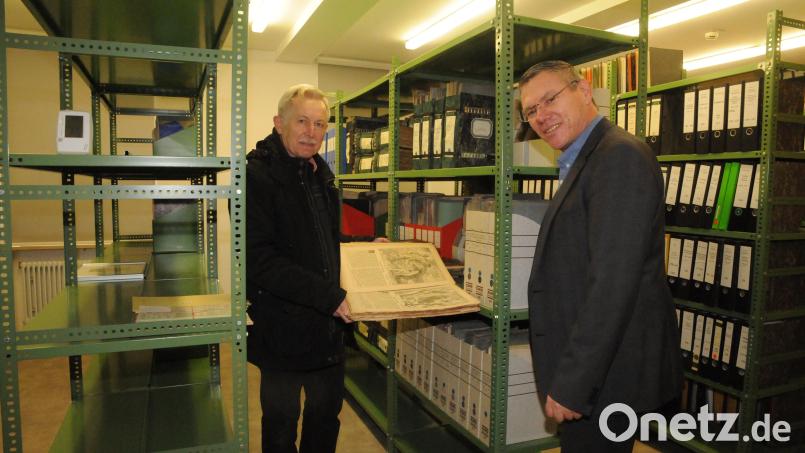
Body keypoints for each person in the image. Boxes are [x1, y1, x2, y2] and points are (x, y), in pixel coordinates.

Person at [521, 61, 682, 452]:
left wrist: (575, 382)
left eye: (550, 99)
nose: (541, 116)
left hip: (607, 374)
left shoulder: (618, 157)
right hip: (598, 367)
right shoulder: (585, 158)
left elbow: (613, 284)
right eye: (530, 110)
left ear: (584, 90)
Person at [245, 84, 354, 453]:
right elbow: (259, 260)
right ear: (279, 123)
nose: (311, 131)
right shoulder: (256, 177)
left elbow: (323, 243)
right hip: (281, 330)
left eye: (320, 124)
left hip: (327, 330)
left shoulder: (322, 177)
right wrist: (330, 297)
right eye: (302, 121)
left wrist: (367, 251)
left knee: (325, 419)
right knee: (280, 425)